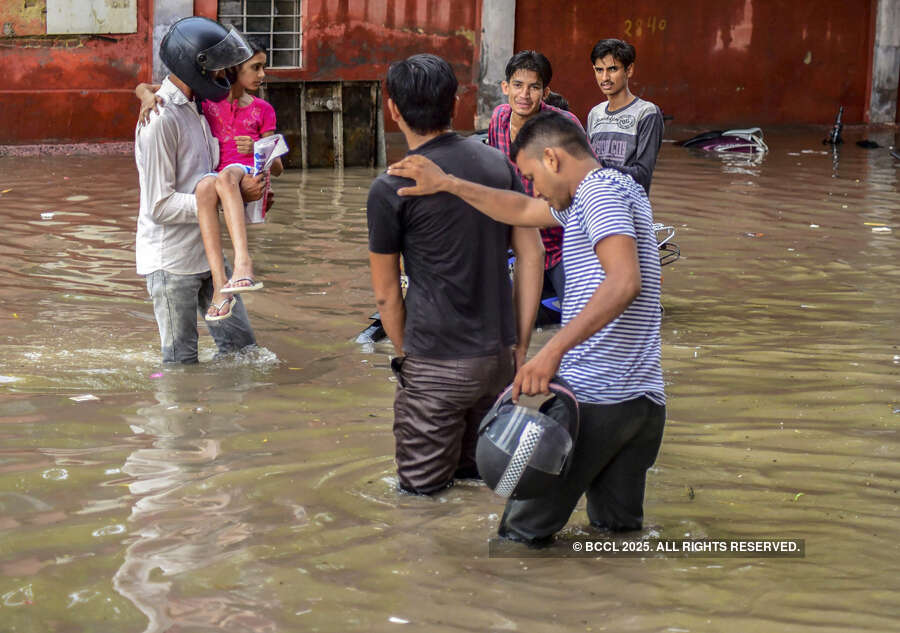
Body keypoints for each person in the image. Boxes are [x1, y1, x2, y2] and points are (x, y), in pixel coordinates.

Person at [386, 111, 666, 544]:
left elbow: (624, 281)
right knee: (616, 538)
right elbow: (519, 209)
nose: (534, 189)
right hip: (641, 404)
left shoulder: (596, 194)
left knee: (517, 538)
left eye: (533, 177)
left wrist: (550, 352)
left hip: (594, 400)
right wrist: (449, 184)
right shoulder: (617, 189)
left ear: (552, 158)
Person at [367, 54, 545, 495]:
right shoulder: (497, 165)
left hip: (435, 361)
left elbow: (387, 295)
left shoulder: (392, 187)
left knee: (421, 501)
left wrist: (411, 358)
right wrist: (519, 345)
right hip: (497, 358)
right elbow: (533, 255)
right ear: (456, 103)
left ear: (393, 109)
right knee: (481, 484)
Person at [135, 16, 262, 362]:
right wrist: (224, 201)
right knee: (181, 363)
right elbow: (159, 205)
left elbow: (213, 176)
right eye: (219, 68)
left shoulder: (199, 108)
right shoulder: (160, 120)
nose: (224, 75)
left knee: (244, 352)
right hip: (172, 261)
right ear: (197, 66)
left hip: (208, 254)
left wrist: (244, 191)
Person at [488, 50, 585, 302]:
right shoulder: (498, 119)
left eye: (534, 87)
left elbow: (588, 185)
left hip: (563, 246)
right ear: (506, 87)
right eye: (518, 85)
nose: (524, 95)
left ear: (545, 92)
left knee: (581, 311)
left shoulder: (564, 125)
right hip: (518, 243)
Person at [586, 38, 663, 194]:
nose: (605, 78)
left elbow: (642, 176)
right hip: (595, 203)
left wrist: (595, 164)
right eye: (599, 70)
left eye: (612, 69)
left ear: (629, 70)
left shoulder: (646, 113)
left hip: (628, 205)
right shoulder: (595, 114)